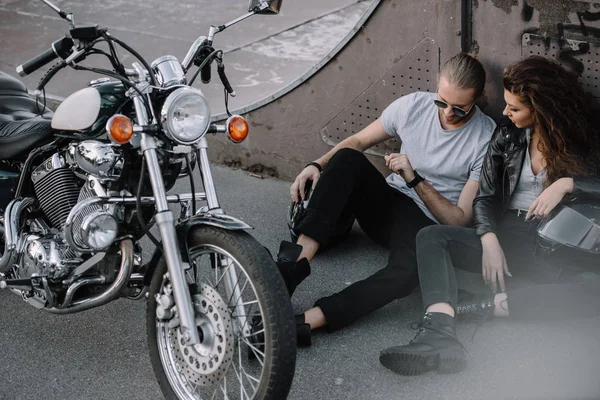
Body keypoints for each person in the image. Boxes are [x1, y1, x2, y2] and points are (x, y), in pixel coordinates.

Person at [379, 55, 600, 375]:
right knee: (431, 236)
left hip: (557, 239)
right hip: (509, 232)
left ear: (539, 108)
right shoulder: (506, 137)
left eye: (514, 108)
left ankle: (477, 308)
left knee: (593, 291)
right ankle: (438, 333)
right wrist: (490, 238)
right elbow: (484, 198)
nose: (505, 113)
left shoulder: (577, 140)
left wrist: (568, 182)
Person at [275, 53, 496, 346]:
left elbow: (458, 219)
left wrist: (414, 178)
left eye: (460, 108)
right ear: (436, 88)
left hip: (427, 228)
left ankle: (306, 323)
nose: (448, 113)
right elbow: (356, 142)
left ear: (478, 98)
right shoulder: (414, 105)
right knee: (346, 159)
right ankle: (286, 274)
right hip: (386, 207)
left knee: (407, 274)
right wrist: (315, 164)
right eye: (442, 102)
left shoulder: (485, 138)